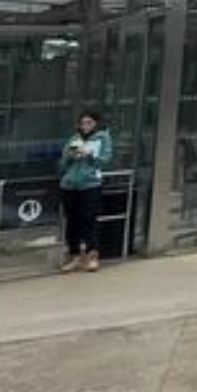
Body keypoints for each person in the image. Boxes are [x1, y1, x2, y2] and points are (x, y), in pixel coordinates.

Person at [57, 109, 113, 274]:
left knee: (89, 219)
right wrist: (70, 156)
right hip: (70, 184)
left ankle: (92, 254)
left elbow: (105, 160)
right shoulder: (74, 138)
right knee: (72, 221)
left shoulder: (103, 138)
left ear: (95, 123)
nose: (85, 126)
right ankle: (74, 255)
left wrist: (90, 155)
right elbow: (62, 162)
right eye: (82, 123)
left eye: (89, 123)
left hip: (90, 184)